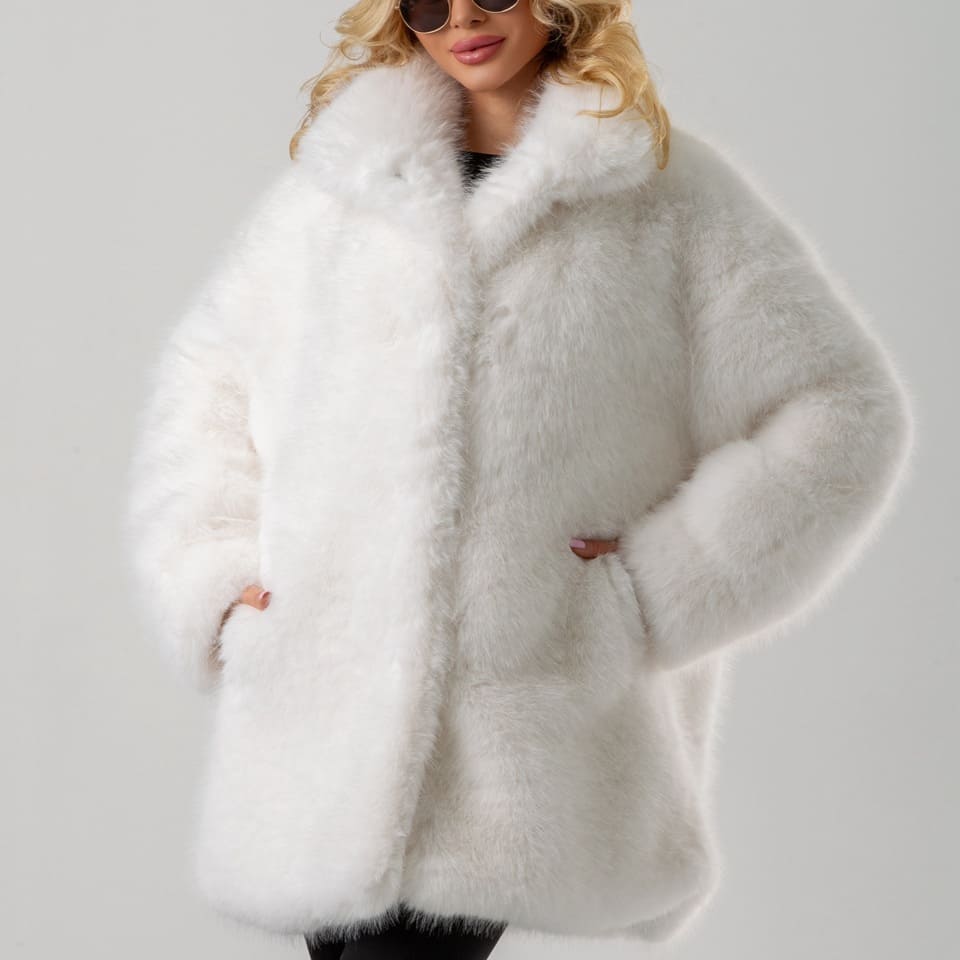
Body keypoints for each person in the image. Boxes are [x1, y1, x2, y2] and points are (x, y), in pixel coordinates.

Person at [123, 0, 916, 956]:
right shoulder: (339, 191)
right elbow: (205, 385)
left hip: (514, 731)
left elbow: (841, 408)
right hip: (321, 720)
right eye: (427, 3)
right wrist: (216, 579)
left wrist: (664, 583)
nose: (461, 18)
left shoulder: (668, 197)